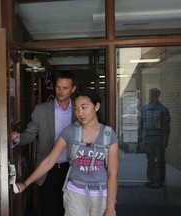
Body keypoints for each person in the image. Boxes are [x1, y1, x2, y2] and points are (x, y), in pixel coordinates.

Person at [16, 88, 119, 216]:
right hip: (75, 195)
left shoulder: (109, 135)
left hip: (102, 195)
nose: (79, 113)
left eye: (84, 107)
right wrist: (26, 184)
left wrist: (110, 208)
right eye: (76, 108)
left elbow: (112, 173)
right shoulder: (70, 132)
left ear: (96, 106)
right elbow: (49, 161)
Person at [11, 71, 77, 216]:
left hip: (73, 169)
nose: (60, 91)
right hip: (47, 171)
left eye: (65, 88)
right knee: (50, 211)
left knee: (71, 210)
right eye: (58, 87)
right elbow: (29, 135)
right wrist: (17, 139)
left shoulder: (80, 110)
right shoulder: (41, 110)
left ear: (73, 89)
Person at [140, 88, 171, 189]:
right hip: (148, 139)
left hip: (159, 139)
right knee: (150, 160)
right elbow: (141, 124)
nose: (151, 96)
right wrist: (140, 139)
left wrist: (165, 140)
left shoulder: (163, 109)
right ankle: (151, 179)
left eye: (153, 94)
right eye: (150, 94)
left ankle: (159, 180)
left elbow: (166, 127)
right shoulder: (144, 108)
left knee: (159, 160)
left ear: (158, 95)